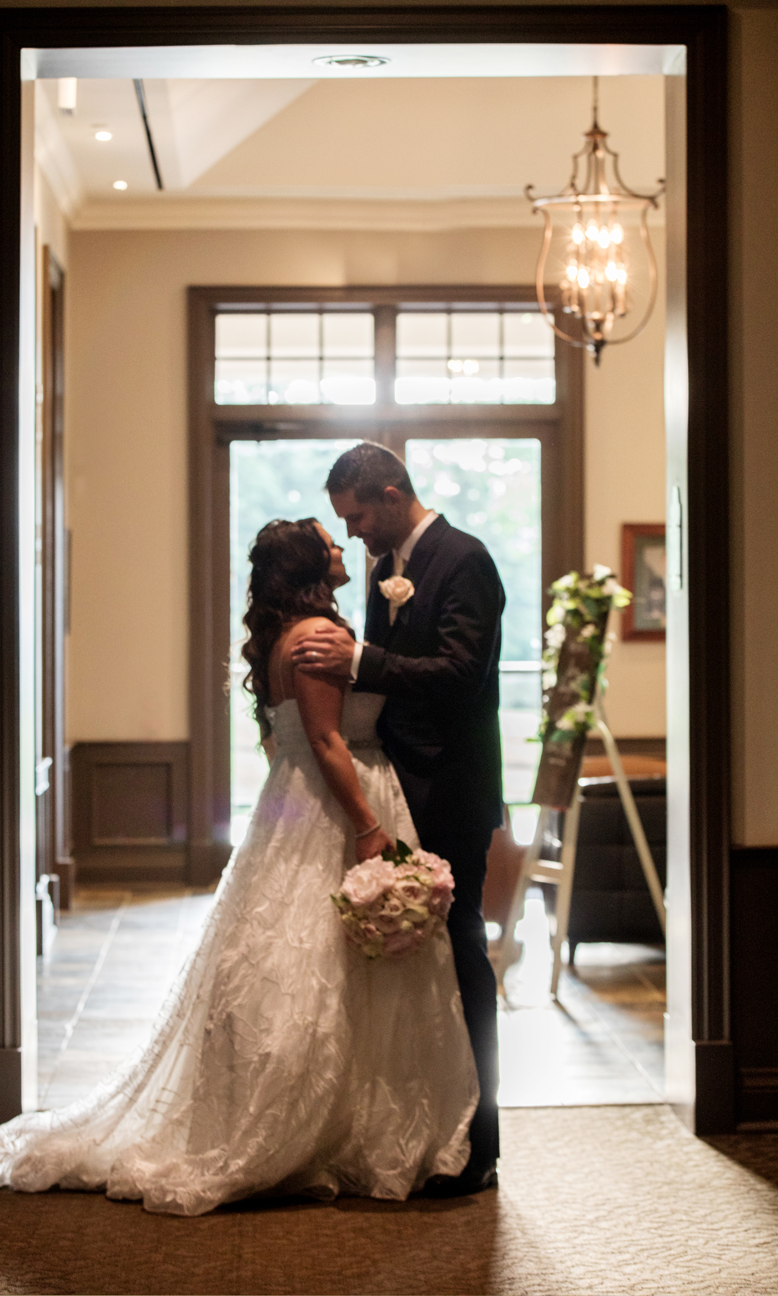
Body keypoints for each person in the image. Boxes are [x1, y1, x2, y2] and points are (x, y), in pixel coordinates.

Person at [0, 517, 479, 1216]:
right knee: (323, 965)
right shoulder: (308, 638)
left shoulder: (301, 629)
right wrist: (366, 826)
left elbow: (285, 741)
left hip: (305, 801)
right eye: (328, 542)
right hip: (342, 800)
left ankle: (346, 1118)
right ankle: (310, 1125)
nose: (342, 545)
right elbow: (328, 739)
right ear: (309, 564)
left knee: (318, 961)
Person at [292, 443, 505, 1195]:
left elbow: (458, 674)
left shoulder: (462, 559)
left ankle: (480, 1143)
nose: (351, 534)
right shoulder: (389, 569)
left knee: (462, 955)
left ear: (388, 494)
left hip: (450, 792)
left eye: (356, 516)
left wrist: (357, 663)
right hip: (400, 790)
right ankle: (425, 1129)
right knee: (421, 973)